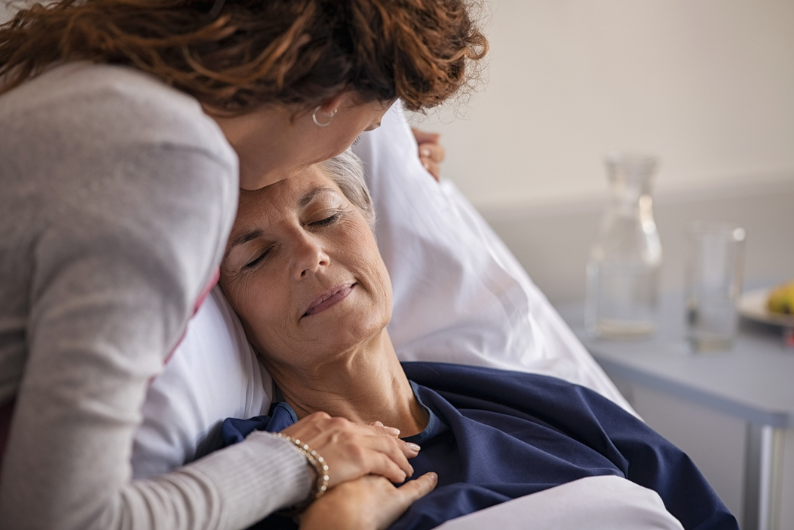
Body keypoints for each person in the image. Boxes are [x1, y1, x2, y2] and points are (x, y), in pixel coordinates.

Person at [0, 0, 487, 528]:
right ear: (329, 100)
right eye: (367, 127)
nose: (356, 144)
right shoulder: (167, 168)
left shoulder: (84, 91)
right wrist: (299, 460)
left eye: (324, 215)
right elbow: (64, 519)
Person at [216, 151, 740, 530]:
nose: (311, 254)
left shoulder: (546, 407)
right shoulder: (261, 473)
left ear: (371, 226)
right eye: (256, 256)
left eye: (326, 216)